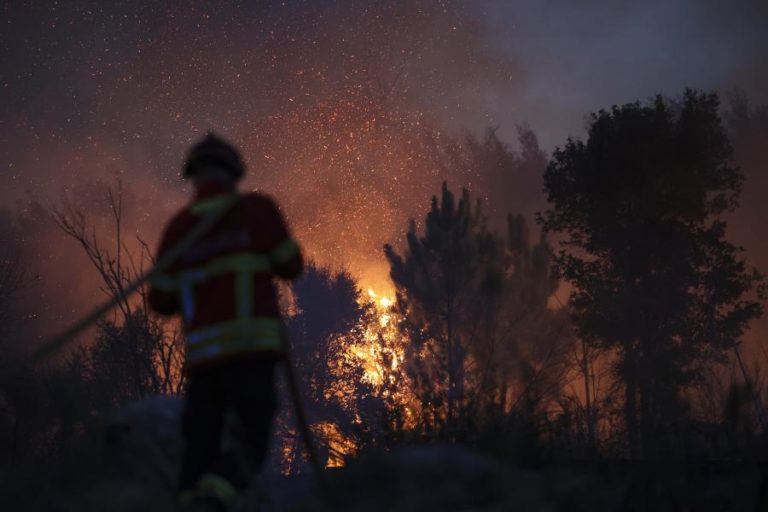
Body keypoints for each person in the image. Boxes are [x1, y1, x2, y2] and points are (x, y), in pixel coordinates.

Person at [148, 132, 303, 510]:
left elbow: (160, 301)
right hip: (251, 352)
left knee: (199, 442)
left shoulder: (179, 229)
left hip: (204, 362)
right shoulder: (257, 212)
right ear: (234, 174)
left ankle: (189, 500)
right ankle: (214, 501)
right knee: (251, 439)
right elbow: (291, 265)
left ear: (193, 176)